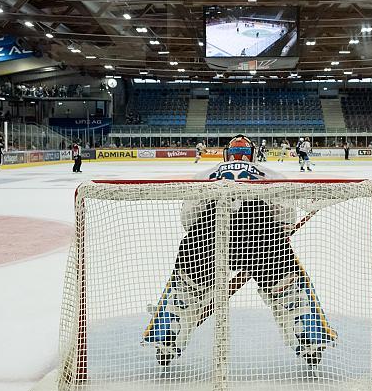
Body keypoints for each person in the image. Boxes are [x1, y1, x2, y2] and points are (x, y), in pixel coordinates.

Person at [142, 134, 336, 366]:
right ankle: (308, 340)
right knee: (288, 289)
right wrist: (276, 238)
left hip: (209, 232)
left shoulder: (206, 174)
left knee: (187, 289)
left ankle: (168, 337)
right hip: (260, 233)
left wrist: (204, 236)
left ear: (227, 154)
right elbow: (285, 214)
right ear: (253, 155)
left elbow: (188, 217)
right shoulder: (269, 173)